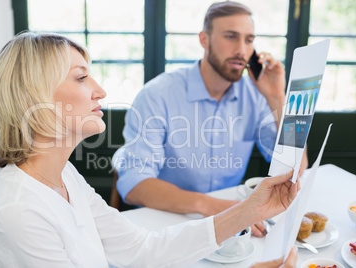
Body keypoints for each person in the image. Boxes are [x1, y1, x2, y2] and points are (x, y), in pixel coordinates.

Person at [0, 32, 298, 267]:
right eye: (81, 78)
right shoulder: (18, 213)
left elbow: (141, 248)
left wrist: (248, 211)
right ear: (35, 98)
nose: (100, 90)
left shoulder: (64, 176)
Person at [112, 1, 308, 237]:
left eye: (248, 40)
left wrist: (277, 98)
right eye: (230, 37)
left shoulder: (256, 95)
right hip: (166, 220)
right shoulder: (157, 95)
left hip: (229, 222)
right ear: (204, 39)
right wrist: (215, 207)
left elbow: (295, 168)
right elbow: (134, 185)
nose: (242, 51)